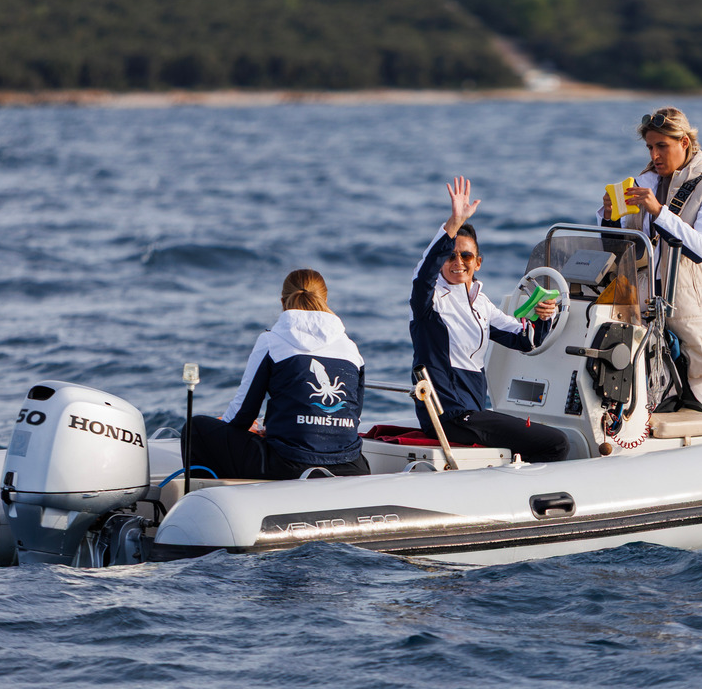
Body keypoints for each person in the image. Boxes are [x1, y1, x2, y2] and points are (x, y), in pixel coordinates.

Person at [409, 176, 569, 462]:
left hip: (471, 414)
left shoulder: (481, 304)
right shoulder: (430, 300)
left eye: (466, 256)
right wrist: (454, 222)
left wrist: (545, 314)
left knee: (545, 440)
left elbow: (526, 340)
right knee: (556, 443)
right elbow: (423, 273)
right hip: (448, 415)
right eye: (450, 256)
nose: (458, 262)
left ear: (478, 262)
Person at [598, 107, 702, 414]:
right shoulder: (642, 184)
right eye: (650, 147)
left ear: (685, 142)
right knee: (639, 390)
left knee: (695, 391)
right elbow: (619, 251)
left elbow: (701, 248)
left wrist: (658, 212)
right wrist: (609, 217)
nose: (654, 155)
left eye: (662, 146)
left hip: (689, 308)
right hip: (642, 306)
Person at [183, 269, 370, 479]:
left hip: (288, 465)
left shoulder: (271, 342)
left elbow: (242, 416)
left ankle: (207, 497)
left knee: (196, 429)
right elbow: (354, 417)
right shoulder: (350, 348)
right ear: (325, 300)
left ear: (283, 302)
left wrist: (233, 426)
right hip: (352, 465)